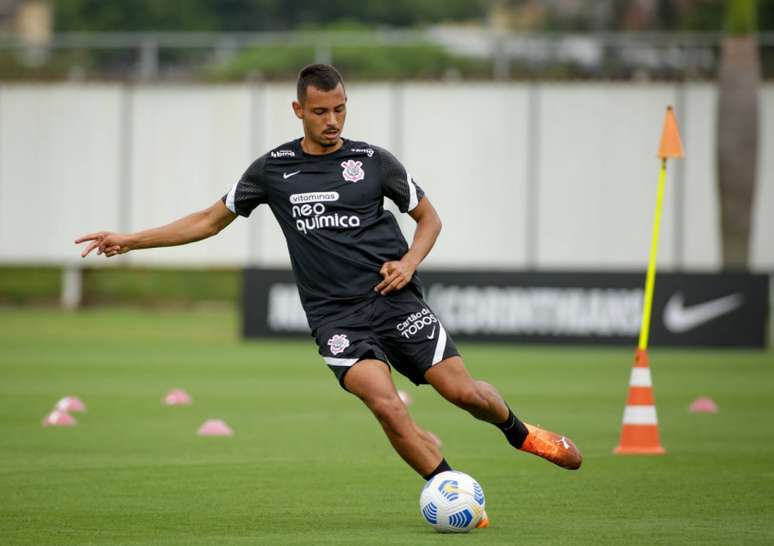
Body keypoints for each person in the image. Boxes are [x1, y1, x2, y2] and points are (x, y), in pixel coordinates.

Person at [76, 64, 581, 525]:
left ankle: (520, 433)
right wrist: (130, 238)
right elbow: (209, 221)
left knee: (464, 394)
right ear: (299, 111)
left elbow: (429, 218)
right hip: (336, 319)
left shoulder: (374, 161)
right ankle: (450, 489)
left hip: (395, 300)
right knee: (385, 403)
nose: (332, 120)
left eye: (340, 109)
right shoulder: (272, 170)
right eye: (320, 112)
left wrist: (408, 263)